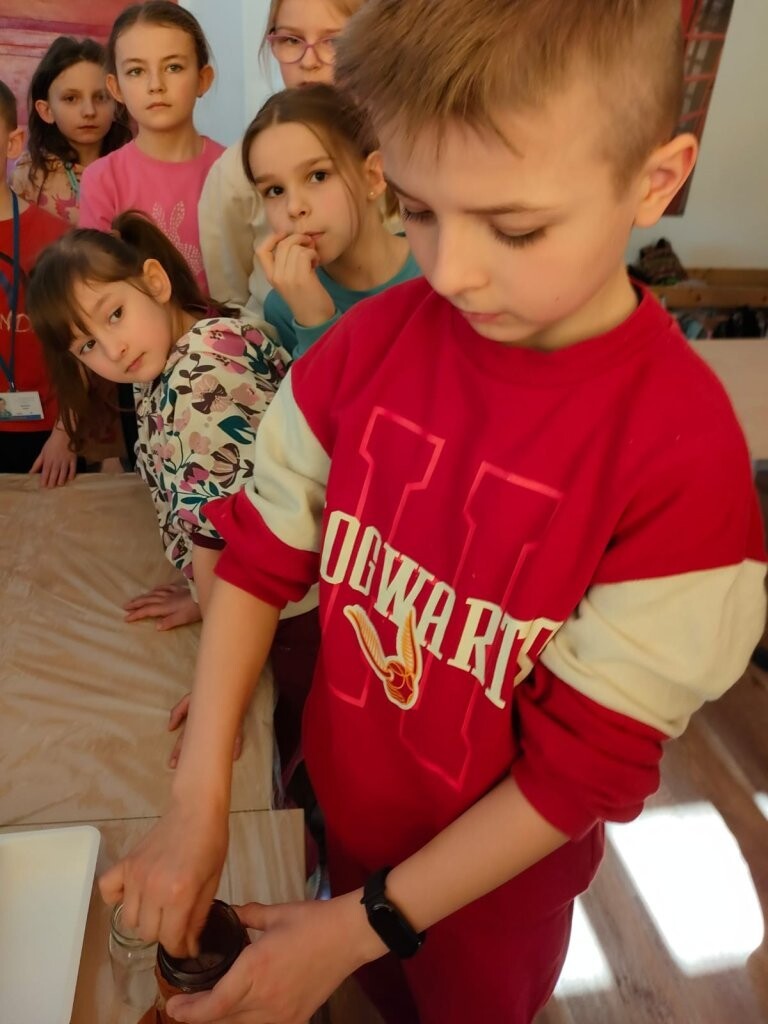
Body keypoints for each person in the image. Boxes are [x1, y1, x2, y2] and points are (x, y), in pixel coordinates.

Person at [98, 3, 768, 1024]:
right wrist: (197, 799)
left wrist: (367, 921)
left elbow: (583, 767)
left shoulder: (684, 464)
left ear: (654, 180)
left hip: (494, 893)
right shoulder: (366, 347)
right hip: (348, 815)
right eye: (417, 210)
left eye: (517, 227)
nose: (450, 271)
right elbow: (262, 556)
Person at [27, 211, 317, 769]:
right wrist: (202, 599)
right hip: (268, 599)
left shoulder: (198, 376)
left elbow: (226, 546)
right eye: (87, 346)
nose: (113, 350)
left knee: (296, 757)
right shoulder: (180, 344)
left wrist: (218, 701)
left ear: (155, 282)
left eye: (115, 314)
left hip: (291, 615)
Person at [199, 0, 363, 314]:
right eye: (291, 40)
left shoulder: (404, 154)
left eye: (333, 42)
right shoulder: (233, 173)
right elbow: (231, 302)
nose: (309, 61)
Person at [247, 85, 419, 358]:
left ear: (373, 176)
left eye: (318, 176)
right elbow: (325, 387)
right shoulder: (285, 306)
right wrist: (314, 321)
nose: (294, 207)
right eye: (275, 191)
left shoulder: (440, 270)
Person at [79, 2, 224, 293]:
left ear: (202, 79)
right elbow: (100, 287)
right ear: (116, 88)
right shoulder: (102, 180)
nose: (155, 85)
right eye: (136, 71)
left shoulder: (232, 170)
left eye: (173, 67)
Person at [0, 80, 75, 482]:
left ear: (12, 143)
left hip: (46, 437)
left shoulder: (55, 239)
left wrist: (66, 433)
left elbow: (81, 345)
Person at [11, 36, 131, 226]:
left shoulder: (133, 170)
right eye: (71, 99)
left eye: (100, 97)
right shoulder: (29, 176)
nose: (89, 111)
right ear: (46, 110)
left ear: (117, 103)